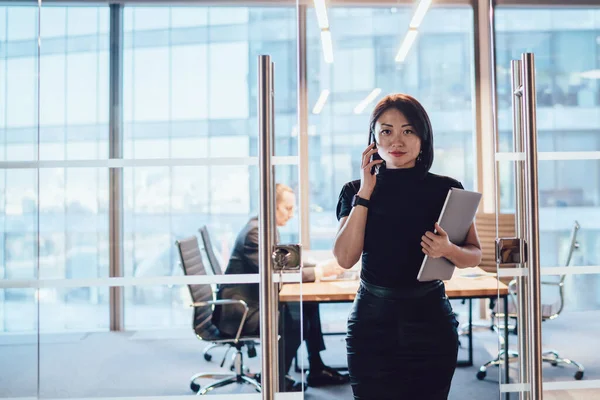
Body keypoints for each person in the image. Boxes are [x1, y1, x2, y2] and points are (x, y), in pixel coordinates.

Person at [333, 93, 482, 400]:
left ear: (423, 139)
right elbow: (346, 258)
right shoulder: (354, 190)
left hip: (429, 318)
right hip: (371, 319)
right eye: (386, 131)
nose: (396, 141)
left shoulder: (446, 188)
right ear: (373, 139)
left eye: (408, 130)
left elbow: (473, 255)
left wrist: (447, 250)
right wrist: (366, 191)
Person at [214, 183, 349, 391]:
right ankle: (276, 380)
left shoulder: (265, 228)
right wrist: (320, 271)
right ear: (271, 207)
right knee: (296, 320)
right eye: (287, 208)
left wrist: (314, 267)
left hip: (254, 301)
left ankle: (316, 368)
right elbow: (275, 274)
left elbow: (281, 265)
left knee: (309, 306)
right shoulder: (255, 233)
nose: (292, 214)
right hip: (241, 311)